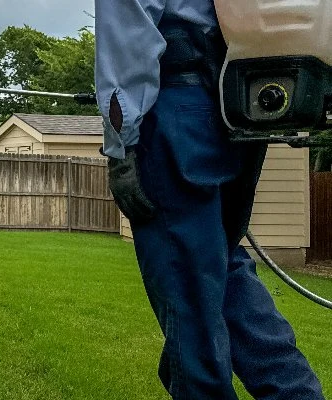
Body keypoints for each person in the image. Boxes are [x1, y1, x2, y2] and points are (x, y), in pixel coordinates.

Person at [94, 0, 325, 398]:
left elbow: (128, 24)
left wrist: (121, 142)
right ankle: (297, 393)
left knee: (189, 298)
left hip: (177, 110)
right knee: (221, 266)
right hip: (239, 104)